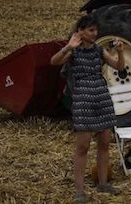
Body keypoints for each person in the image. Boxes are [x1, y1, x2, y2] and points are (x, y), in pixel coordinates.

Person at [50, 14, 124, 203]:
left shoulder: (99, 50)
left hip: (102, 99)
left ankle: (103, 183)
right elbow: (54, 61)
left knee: (105, 144)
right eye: (91, 30)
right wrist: (68, 46)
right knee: (82, 147)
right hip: (83, 101)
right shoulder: (72, 52)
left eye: (95, 30)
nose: (95, 33)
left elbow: (119, 66)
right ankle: (80, 190)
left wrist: (121, 52)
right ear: (80, 31)